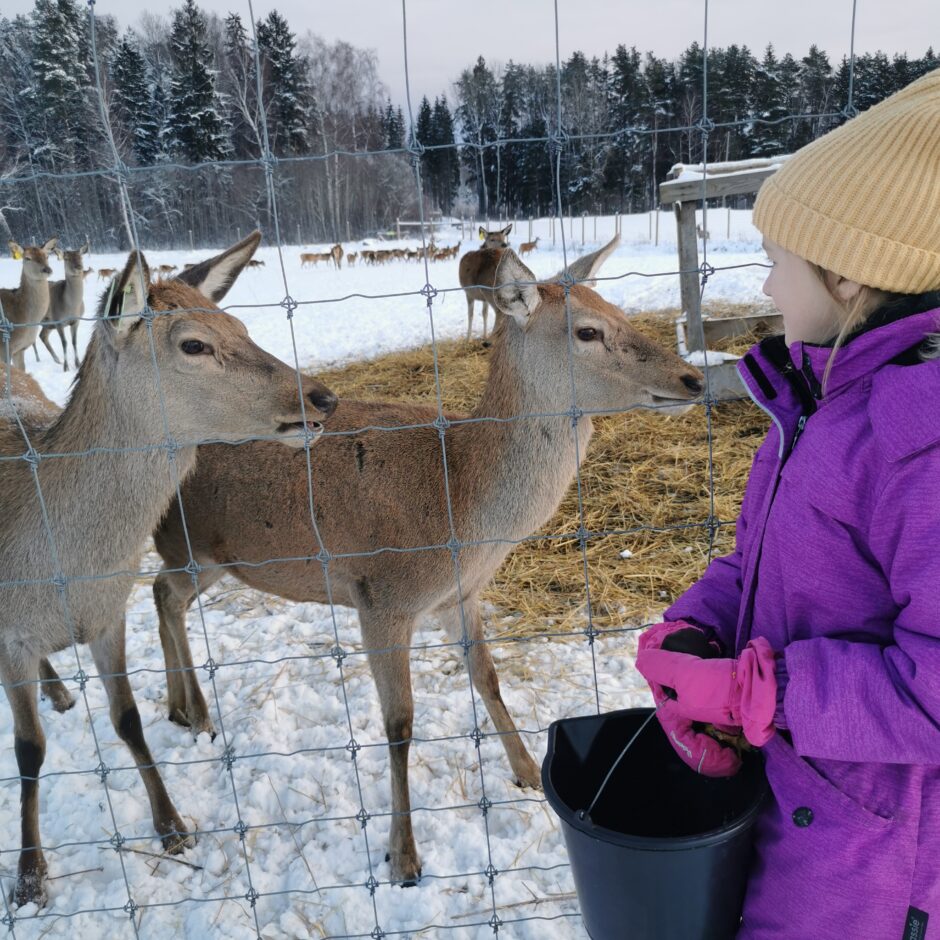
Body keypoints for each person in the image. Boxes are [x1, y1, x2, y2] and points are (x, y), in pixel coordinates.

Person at [635, 68, 940, 939]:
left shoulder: (922, 447)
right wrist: (701, 626)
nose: (767, 289)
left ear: (850, 280)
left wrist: (752, 696)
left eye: (779, 263)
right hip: (800, 817)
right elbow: (760, 562)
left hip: (879, 878)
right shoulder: (812, 403)